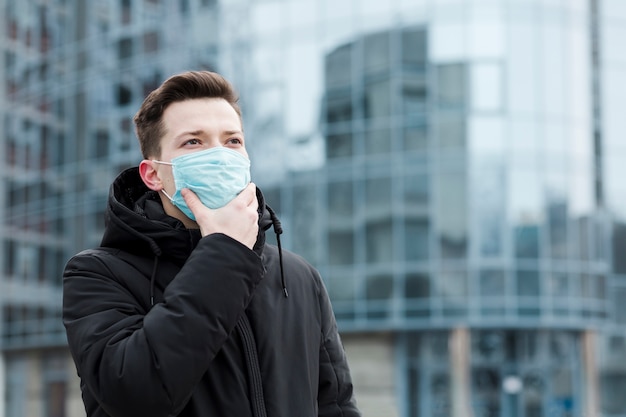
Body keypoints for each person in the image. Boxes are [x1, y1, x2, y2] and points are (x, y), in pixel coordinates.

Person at [62, 70, 361, 417]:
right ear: (153, 174)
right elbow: (135, 396)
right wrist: (224, 251)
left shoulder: (297, 276)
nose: (220, 155)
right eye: (194, 142)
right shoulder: (97, 274)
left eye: (232, 141)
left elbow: (336, 406)